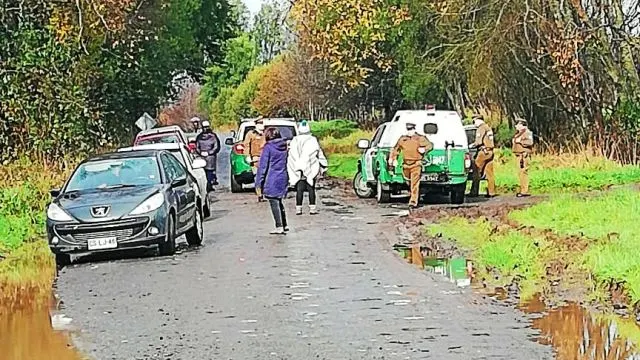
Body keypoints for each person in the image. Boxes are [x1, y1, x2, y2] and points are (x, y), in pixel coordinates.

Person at [287, 121, 328, 215]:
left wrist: (293, 166)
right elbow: (319, 153)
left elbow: (291, 155)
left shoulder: (295, 140)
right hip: (311, 166)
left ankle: (298, 209)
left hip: (298, 168)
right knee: (311, 188)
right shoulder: (312, 140)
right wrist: (324, 164)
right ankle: (312, 208)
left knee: (299, 189)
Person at [389, 122, 434, 209]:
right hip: (406, 164)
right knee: (408, 181)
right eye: (408, 130)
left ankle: (413, 202)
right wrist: (393, 159)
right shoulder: (403, 139)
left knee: (414, 183)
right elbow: (396, 149)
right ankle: (412, 194)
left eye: (411, 129)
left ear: (414, 129)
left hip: (416, 164)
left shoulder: (420, 138)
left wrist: (424, 149)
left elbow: (430, 145)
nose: (410, 131)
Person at [256, 127, 290, 235]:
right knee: (279, 200)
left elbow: (263, 166)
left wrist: (258, 182)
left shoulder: (268, 147)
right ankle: (284, 224)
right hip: (283, 175)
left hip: (272, 177)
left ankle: (279, 226)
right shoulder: (284, 146)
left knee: (273, 201)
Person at [469, 114, 496, 198]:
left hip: (483, 152)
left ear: (478, 120)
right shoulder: (488, 127)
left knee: (476, 171)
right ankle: (491, 192)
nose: (474, 124)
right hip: (490, 151)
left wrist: (471, 145)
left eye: (474, 121)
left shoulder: (481, 128)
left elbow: (479, 142)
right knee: (489, 173)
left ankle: (474, 192)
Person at [244, 117, 266, 201]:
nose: (262, 125)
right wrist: (247, 156)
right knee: (257, 176)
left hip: (265, 158)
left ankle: (264, 192)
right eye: (260, 123)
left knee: (265, 177)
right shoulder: (251, 134)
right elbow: (246, 145)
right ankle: (259, 194)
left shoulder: (266, 134)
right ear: (256, 124)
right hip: (255, 158)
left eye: (262, 123)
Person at [195, 120, 221, 190]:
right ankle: (208, 184)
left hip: (207, 157)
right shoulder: (212, 136)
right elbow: (217, 147)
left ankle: (208, 184)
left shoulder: (201, 137)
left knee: (208, 172)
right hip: (208, 157)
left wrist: (202, 152)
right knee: (208, 171)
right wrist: (207, 152)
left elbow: (197, 147)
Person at [512, 117, 534, 197]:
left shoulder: (527, 133)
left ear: (522, 125)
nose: (516, 126)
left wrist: (520, 141)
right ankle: (522, 189)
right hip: (518, 155)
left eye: (517, 125)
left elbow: (530, 142)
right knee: (520, 173)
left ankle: (524, 191)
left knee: (524, 172)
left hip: (524, 155)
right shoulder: (519, 133)